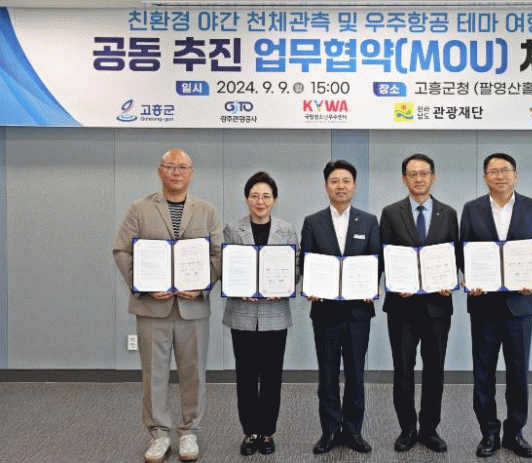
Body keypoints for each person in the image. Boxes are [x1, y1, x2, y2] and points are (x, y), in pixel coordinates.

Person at [113, 148, 222, 463]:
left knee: (194, 373)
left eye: (182, 167)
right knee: (154, 375)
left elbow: (218, 254)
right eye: (170, 166)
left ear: (191, 173)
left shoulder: (207, 211)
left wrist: (202, 284)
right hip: (152, 308)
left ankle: (189, 432)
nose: (176, 172)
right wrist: (144, 285)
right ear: (160, 171)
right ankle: (159, 435)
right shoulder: (139, 209)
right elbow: (121, 251)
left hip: (193, 308)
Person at [460, 153, 532, 459]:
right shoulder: (471, 209)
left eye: (505, 170)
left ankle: (515, 432)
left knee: (518, 372)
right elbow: (464, 252)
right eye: (493, 171)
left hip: (520, 305)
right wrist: (470, 277)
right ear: (484, 177)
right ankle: (489, 432)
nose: (499, 176)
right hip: (484, 304)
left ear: (516, 175)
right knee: (483, 373)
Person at [300, 160, 381, 455]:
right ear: (326, 186)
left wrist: (372, 285)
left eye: (346, 180)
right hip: (326, 312)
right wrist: (310, 285)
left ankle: (354, 430)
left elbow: (376, 260)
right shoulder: (313, 222)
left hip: (359, 312)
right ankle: (330, 430)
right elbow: (306, 261)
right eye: (334, 181)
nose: (340, 186)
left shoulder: (369, 221)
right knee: (328, 374)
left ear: (354, 186)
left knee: (356, 374)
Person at [379, 153, 459, 453]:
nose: (419, 179)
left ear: (433, 177)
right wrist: (393, 283)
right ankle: (407, 429)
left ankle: (429, 429)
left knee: (435, 370)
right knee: (403, 369)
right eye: (412, 174)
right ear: (404, 179)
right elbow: (384, 256)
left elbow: (455, 255)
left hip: (438, 306)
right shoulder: (390, 213)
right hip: (402, 307)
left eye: (424, 173)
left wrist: (452, 279)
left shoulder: (448, 214)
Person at [223, 172, 299, 456]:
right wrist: (235, 286)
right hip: (242, 313)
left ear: (274, 200)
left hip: (274, 313)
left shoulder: (286, 230)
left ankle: (267, 431)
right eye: (254, 195)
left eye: (266, 196)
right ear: (246, 199)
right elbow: (226, 265)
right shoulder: (233, 229)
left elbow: (296, 266)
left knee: (271, 376)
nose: (260, 201)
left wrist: (286, 285)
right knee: (245, 376)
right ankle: (249, 432)